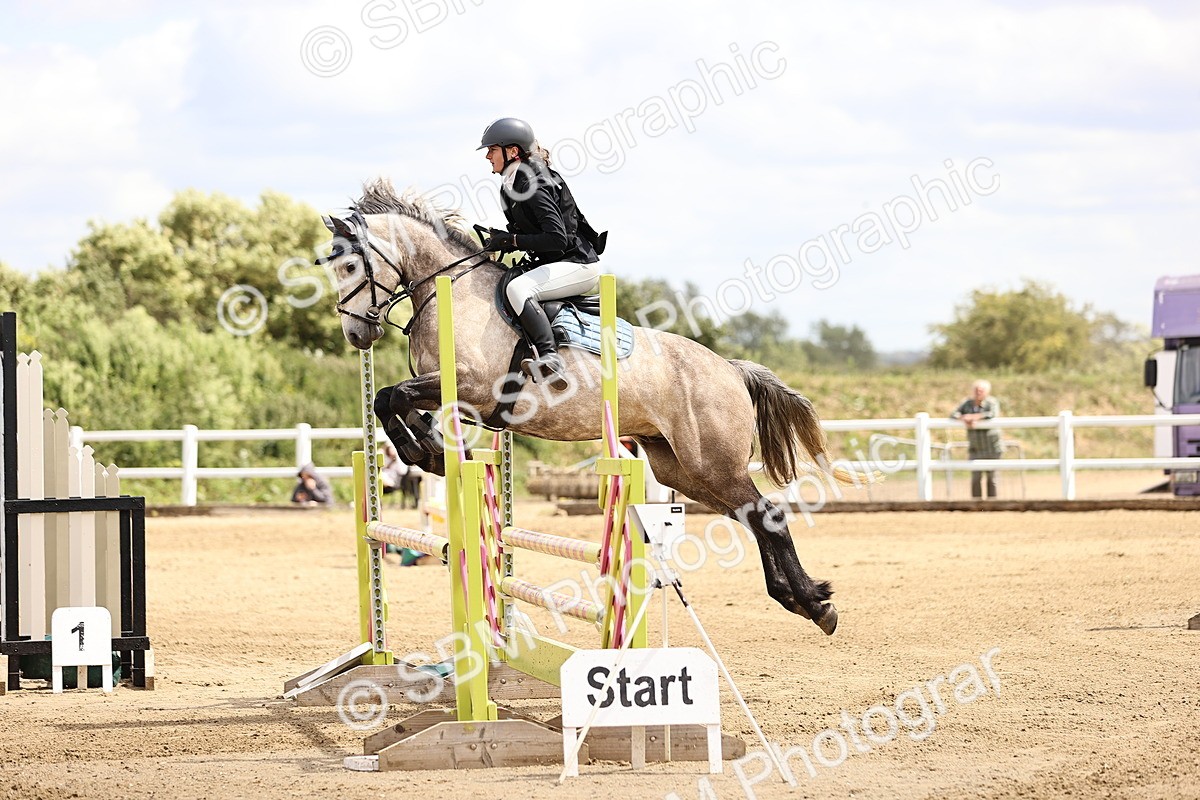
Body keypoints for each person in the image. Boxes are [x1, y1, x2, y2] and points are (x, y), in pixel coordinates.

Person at [477, 117, 608, 391]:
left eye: (492, 149)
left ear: (513, 151)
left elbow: (557, 239)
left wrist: (512, 241)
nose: (488, 156)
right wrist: (502, 241)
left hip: (577, 264)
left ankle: (550, 357)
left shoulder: (533, 184)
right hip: (556, 262)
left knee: (519, 289)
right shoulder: (511, 185)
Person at [951, 380, 1002, 499]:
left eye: (981, 390)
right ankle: (976, 503)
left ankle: (992, 503)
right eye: (976, 390)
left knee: (992, 478)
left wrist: (974, 417)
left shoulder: (991, 402)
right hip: (975, 447)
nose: (978, 393)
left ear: (987, 392)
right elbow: (954, 414)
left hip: (992, 447)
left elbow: (992, 414)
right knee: (975, 478)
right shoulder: (967, 403)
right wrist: (964, 418)